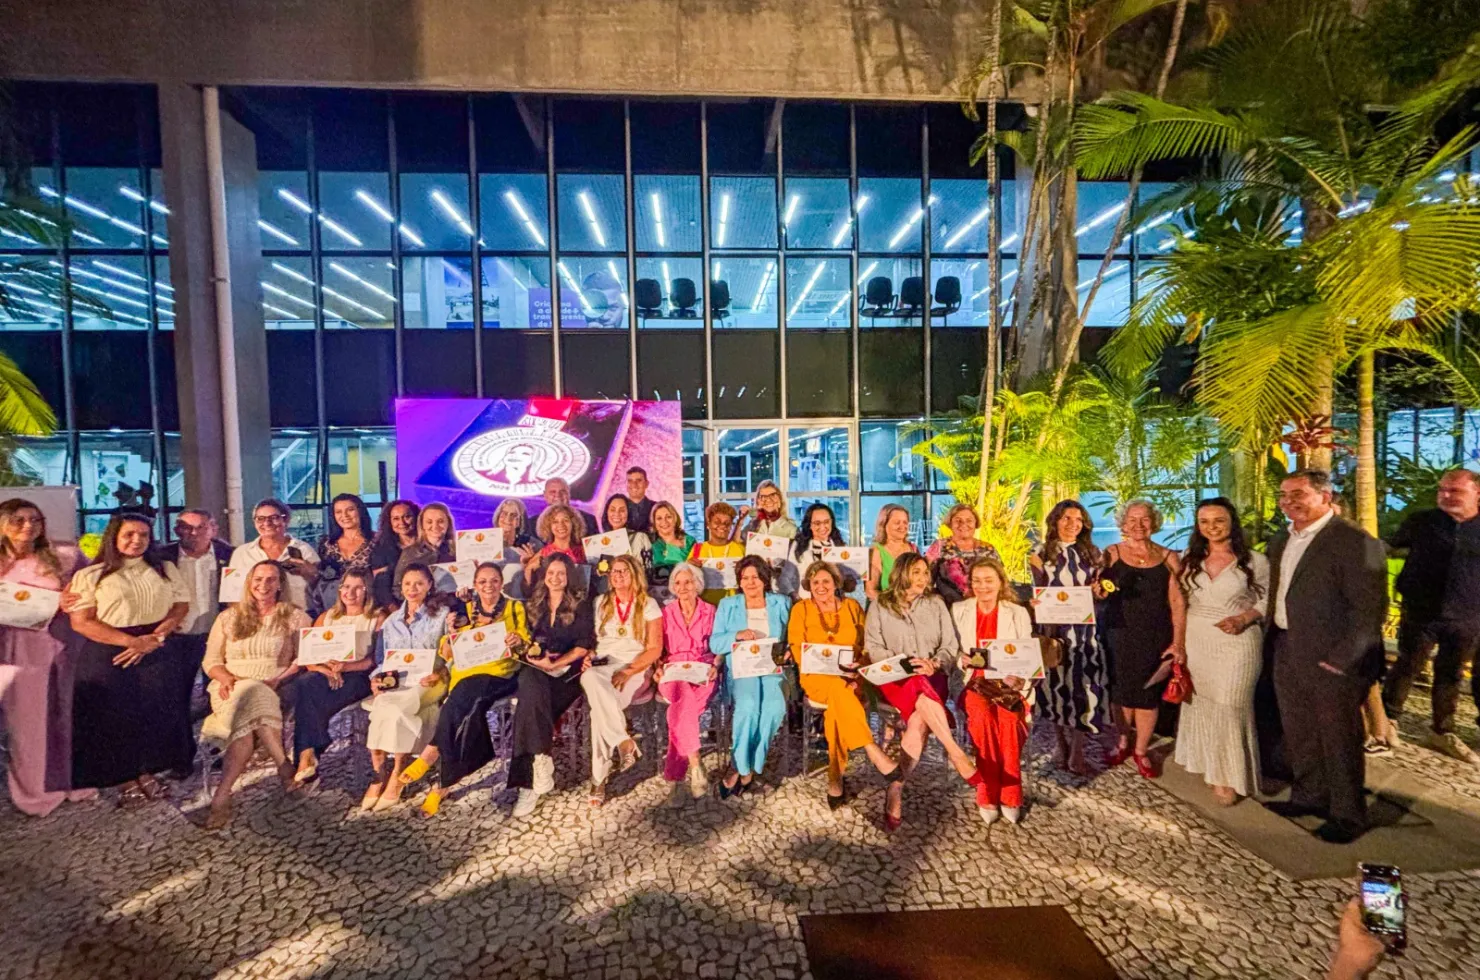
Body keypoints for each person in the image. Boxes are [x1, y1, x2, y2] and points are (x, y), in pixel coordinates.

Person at [1264, 470, 1387, 844]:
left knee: (1339, 736)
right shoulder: (1281, 539)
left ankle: (1348, 815)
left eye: (1298, 494)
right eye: (1284, 495)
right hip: (1287, 647)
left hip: (1332, 658)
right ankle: (1310, 796)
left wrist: (1343, 659)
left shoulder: (1356, 541)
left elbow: (1371, 609)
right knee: (1299, 729)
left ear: (1324, 495)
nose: (1289, 501)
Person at [67, 513, 192, 805]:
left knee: (151, 712)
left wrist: (155, 638)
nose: (136, 541)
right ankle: (122, 776)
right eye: (129, 534)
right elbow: (81, 622)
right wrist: (131, 642)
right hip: (109, 649)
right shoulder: (90, 575)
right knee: (113, 716)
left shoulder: (165, 568)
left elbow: (180, 605)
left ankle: (145, 769)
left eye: (143, 535)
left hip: (156, 645)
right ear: (114, 536)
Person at [402, 562, 529, 817]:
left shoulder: (515, 607)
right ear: (474, 585)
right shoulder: (464, 610)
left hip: (499, 674)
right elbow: (447, 652)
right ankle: (444, 783)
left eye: (494, 580)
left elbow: (525, 644)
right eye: (482, 581)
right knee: (460, 706)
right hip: (465, 676)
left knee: (460, 698)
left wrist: (517, 640)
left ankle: (430, 757)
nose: (488, 586)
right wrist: (451, 633)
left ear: (502, 583)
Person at [863, 552, 979, 830]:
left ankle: (896, 786)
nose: (923, 578)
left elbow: (949, 645)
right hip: (893, 676)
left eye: (925, 573)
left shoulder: (936, 603)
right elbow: (873, 646)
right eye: (917, 572)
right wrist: (902, 663)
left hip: (931, 674)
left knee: (919, 719)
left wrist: (935, 663)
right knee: (917, 687)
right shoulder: (880, 605)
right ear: (902, 573)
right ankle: (955, 751)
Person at [198, 561, 310, 829]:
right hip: (230, 685)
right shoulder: (227, 617)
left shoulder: (295, 617)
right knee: (252, 692)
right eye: (258, 579)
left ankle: (221, 797)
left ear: (281, 584)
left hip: (277, 683)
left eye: (271, 579)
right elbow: (211, 661)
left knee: (252, 707)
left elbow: (303, 658)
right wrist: (226, 678)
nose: (263, 585)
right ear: (249, 582)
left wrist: (278, 678)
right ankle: (284, 768)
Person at [1174, 498, 1270, 805]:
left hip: (1238, 642)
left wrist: (1244, 618)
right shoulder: (1189, 558)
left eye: (1219, 520)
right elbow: (1178, 601)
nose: (1212, 527)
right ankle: (1208, 765)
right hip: (1197, 639)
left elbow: (1268, 599)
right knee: (1202, 705)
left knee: (1231, 705)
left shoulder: (1255, 560)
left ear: (1232, 522)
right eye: (1204, 521)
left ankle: (1230, 776)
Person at [0, 498, 93, 816]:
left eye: (34, 520)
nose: (28, 526)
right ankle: (35, 794)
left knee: (69, 715)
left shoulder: (64, 555)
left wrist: (73, 598)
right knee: (28, 723)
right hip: (17, 650)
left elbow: (93, 585)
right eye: (17, 520)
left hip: (65, 644)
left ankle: (75, 781)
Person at [1382, 468, 1480, 765]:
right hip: (1421, 612)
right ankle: (1387, 721)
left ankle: (1442, 731)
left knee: (1450, 673)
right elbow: (1389, 546)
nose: (1446, 496)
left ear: (1477, 493)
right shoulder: (1422, 522)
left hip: (1467, 615)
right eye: (1442, 490)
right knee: (1408, 665)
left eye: (1455, 491)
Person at [789, 560, 902, 813]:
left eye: (826, 581)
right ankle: (872, 749)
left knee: (837, 709)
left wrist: (858, 664)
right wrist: (815, 662)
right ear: (808, 585)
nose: (820, 586)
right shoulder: (801, 609)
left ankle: (835, 778)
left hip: (851, 675)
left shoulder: (852, 607)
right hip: (816, 676)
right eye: (815, 582)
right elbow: (797, 647)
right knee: (840, 694)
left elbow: (865, 644)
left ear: (836, 584)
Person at [1098, 500, 1187, 778]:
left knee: (1148, 695)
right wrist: (1098, 591)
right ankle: (1123, 740)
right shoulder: (1111, 553)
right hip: (1118, 634)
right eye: (1132, 520)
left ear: (1154, 522)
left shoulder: (1169, 557)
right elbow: (1098, 589)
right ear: (1123, 524)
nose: (1138, 525)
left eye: (1144, 519)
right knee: (1121, 691)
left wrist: (1179, 643)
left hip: (1155, 637)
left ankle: (1141, 749)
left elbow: (1179, 604)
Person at [509, 554, 596, 818]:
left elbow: (583, 645)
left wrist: (558, 664)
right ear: (544, 575)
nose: (555, 578)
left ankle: (530, 781)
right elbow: (528, 642)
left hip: (568, 673)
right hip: (537, 668)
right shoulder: (534, 604)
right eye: (551, 572)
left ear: (569, 576)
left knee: (529, 705)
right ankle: (540, 762)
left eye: (561, 573)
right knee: (529, 682)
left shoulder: (581, 604)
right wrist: (527, 653)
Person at [950, 557, 1035, 825]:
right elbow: (948, 648)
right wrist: (958, 657)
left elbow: (1028, 655)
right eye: (976, 581)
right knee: (983, 719)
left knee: (1009, 721)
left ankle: (1011, 793)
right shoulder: (958, 610)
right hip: (973, 682)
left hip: (1007, 684)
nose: (982, 586)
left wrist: (1021, 679)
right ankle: (987, 791)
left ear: (1000, 582)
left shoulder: (1017, 612)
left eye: (988, 580)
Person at [1030, 499, 1109, 776]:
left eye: (1078, 519)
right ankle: (1060, 745)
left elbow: (1098, 591)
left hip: (1086, 633)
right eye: (1066, 518)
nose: (1072, 524)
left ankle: (1077, 751)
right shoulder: (1038, 554)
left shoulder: (1093, 554)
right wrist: (1035, 605)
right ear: (1055, 521)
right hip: (1055, 633)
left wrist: (1099, 594)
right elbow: (1037, 590)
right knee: (1055, 690)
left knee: (1084, 691)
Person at [284, 568, 383, 785]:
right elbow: (307, 656)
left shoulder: (376, 618)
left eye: (358, 588)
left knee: (307, 692)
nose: (351, 592)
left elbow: (376, 660)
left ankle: (307, 755)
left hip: (357, 675)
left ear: (367, 591)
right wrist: (323, 669)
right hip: (323, 674)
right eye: (347, 586)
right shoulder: (326, 616)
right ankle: (308, 755)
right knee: (305, 684)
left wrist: (346, 667)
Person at [362, 563, 449, 811]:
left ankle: (396, 776)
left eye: (419, 583)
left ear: (429, 586)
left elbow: (451, 655)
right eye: (408, 584)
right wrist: (376, 680)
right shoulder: (391, 622)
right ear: (401, 587)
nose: (413, 589)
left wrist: (439, 672)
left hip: (431, 679)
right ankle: (381, 772)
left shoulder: (441, 615)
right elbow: (381, 660)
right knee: (385, 705)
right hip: (397, 679)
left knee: (398, 705)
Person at [582, 553, 663, 806]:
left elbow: (654, 649)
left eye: (624, 571)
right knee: (590, 675)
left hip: (635, 667)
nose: (618, 576)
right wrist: (590, 654)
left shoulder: (648, 604)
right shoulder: (600, 602)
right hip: (604, 665)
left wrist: (628, 671)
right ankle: (623, 741)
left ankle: (599, 778)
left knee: (599, 712)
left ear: (635, 574)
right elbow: (593, 642)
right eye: (614, 571)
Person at [710, 556, 792, 798]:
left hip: (772, 669)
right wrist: (737, 635)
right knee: (748, 706)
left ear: (765, 580)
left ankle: (750, 764)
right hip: (742, 669)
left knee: (774, 708)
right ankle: (741, 767)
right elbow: (716, 643)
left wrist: (789, 650)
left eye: (755, 577)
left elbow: (792, 636)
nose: (750, 582)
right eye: (744, 578)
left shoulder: (781, 602)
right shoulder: (729, 605)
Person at [157, 509, 232, 738]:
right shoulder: (161, 557)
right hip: (177, 638)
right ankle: (180, 756)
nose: (194, 533)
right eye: (187, 527)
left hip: (217, 637)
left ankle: (219, 748)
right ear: (176, 529)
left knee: (221, 696)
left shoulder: (229, 555)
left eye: (201, 527)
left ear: (213, 529)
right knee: (176, 699)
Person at [655, 561, 717, 801]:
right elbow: (658, 649)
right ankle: (695, 764)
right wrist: (657, 668)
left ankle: (675, 780)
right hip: (672, 671)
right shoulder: (665, 613)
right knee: (682, 697)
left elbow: (719, 646)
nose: (683, 587)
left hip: (703, 670)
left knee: (680, 712)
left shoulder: (711, 611)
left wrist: (716, 665)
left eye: (688, 582)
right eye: (678, 583)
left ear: (697, 585)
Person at [229, 498, 319, 611]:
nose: (267, 523)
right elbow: (232, 595)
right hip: (254, 620)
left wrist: (311, 573)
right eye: (260, 519)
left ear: (286, 520)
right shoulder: (241, 553)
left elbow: (319, 587)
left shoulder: (304, 550)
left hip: (298, 617)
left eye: (274, 518)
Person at [925, 503, 1001, 606]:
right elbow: (925, 581)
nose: (963, 524)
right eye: (958, 520)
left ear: (976, 523)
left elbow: (1002, 582)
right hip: (948, 609)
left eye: (969, 520)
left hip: (983, 608)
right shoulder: (939, 547)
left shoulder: (988, 549)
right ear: (950, 523)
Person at [315, 493, 374, 614]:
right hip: (332, 606)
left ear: (360, 511)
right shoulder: (326, 543)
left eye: (350, 510)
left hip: (369, 606)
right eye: (338, 512)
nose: (345, 516)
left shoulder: (377, 541)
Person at [392, 503, 455, 601]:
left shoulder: (457, 551)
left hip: (453, 609)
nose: (435, 526)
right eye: (429, 522)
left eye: (441, 521)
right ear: (422, 524)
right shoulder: (409, 553)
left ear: (448, 523)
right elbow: (397, 588)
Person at [688, 502, 745, 607]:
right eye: (717, 522)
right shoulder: (697, 549)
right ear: (708, 524)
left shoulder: (740, 549)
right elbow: (688, 579)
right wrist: (689, 567)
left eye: (727, 523)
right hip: (705, 608)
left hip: (734, 606)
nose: (722, 526)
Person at [370, 499, 419, 609]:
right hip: (396, 606)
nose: (402, 522)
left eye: (407, 516)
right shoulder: (381, 550)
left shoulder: (427, 544)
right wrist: (395, 611)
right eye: (396, 519)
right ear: (389, 522)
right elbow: (381, 587)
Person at [526, 503, 586, 587]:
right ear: (548, 526)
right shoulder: (543, 553)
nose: (561, 525)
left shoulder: (584, 551)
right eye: (555, 522)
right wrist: (529, 567)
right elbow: (528, 586)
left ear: (574, 524)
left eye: (565, 520)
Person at [493, 497, 541, 600]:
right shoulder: (484, 540)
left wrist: (531, 564)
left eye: (513, 515)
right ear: (498, 516)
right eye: (504, 513)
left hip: (520, 601)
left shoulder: (532, 545)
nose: (507, 519)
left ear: (520, 521)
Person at [867, 503, 917, 601]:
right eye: (897, 522)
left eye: (905, 522)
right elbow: (870, 591)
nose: (902, 526)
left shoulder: (913, 549)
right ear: (884, 524)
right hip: (885, 607)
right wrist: (895, 605)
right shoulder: (875, 551)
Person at [648, 501, 697, 594]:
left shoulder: (689, 541)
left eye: (668, 517)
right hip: (656, 593)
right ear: (653, 522)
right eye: (659, 518)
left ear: (675, 518)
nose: (664, 522)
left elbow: (697, 571)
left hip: (684, 592)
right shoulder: (648, 543)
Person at [598, 493, 653, 565]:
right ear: (607, 512)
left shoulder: (640, 538)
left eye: (622, 510)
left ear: (629, 513)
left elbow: (649, 568)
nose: (617, 514)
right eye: (612, 509)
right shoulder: (599, 542)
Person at [625, 466, 656, 535]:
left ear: (646, 484)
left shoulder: (657, 508)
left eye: (638, 480)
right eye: (630, 481)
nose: (634, 485)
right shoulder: (617, 509)